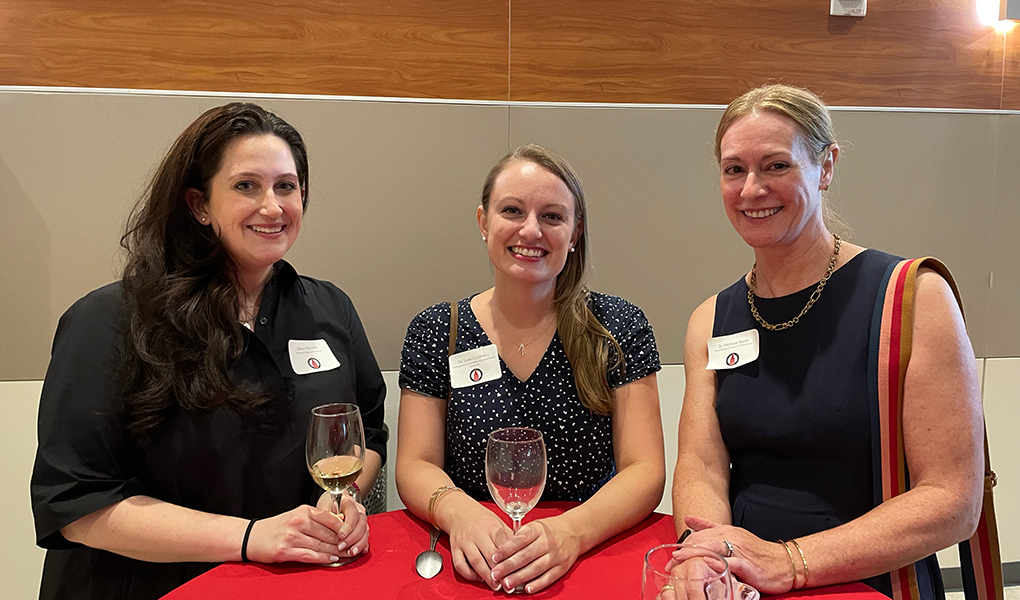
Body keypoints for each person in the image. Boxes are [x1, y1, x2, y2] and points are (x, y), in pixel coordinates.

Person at [31, 103, 387, 599]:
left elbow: (366, 431)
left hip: (287, 584)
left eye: (287, 186)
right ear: (199, 205)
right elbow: (78, 503)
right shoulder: (109, 322)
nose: (273, 206)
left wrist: (343, 499)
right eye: (247, 186)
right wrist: (251, 538)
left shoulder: (330, 310)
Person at [672, 84, 984, 599]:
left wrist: (790, 562)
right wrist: (705, 556)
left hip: (869, 584)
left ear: (826, 166)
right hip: (743, 584)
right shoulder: (709, 320)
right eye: (734, 169)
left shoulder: (913, 298)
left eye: (776, 166)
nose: (751, 189)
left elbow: (952, 500)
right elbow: (702, 465)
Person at [396, 145, 666, 594]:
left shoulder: (618, 327)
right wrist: (459, 512)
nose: (530, 230)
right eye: (512, 210)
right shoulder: (435, 330)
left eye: (553, 216)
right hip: (475, 558)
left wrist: (570, 533)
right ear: (484, 222)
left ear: (576, 231)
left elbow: (645, 469)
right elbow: (415, 462)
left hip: (588, 553)